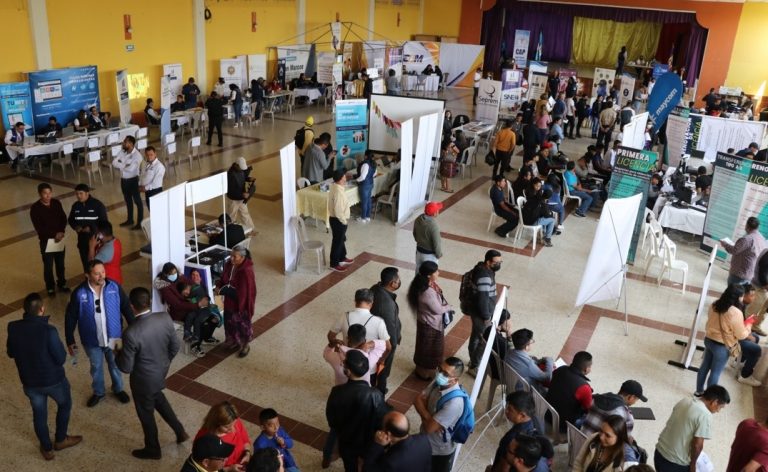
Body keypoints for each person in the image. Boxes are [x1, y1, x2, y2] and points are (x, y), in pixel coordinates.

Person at [7, 293, 82, 461]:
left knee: (39, 414)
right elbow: (60, 358)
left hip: (30, 383)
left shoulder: (12, 327)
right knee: (65, 404)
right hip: (54, 381)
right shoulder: (49, 331)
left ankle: (47, 448)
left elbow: (11, 353)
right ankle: (61, 440)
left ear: (25, 309)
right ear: (42, 309)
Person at [116, 287, 188, 459]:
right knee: (159, 399)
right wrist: (163, 363)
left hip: (143, 381)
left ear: (132, 307)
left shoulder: (131, 333)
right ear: (148, 302)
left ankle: (153, 449)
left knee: (146, 414)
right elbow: (175, 346)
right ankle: (180, 431)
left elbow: (126, 367)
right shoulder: (164, 317)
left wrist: (116, 352)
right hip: (160, 373)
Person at [64, 260, 134, 407]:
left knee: (116, 364)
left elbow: (126, 308)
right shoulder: (79, 293)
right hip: (91, 340)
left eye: (103, 271)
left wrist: (134, 328)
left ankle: (118, 389)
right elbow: (70, 316)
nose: (102, 276)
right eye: (97, 273)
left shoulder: (114, 287)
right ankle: (98, 392)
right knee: (96, 367)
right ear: (87, 275)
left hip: (115, 337)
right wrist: (70, 339)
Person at [326, 350, 389, 472]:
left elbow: (332, 421)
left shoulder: (337, 392)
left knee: (350, 467)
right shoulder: (375, 394)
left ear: (348, 371)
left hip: (346, 442)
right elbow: (382, 420)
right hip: (369, 443)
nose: (342, 363)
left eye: (344, 362)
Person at [696, 284, 762, 392]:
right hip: (722, 346)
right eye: (742, 296)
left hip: (709, 340)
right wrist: (749, 324)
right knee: (715, 372)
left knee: (704, 366)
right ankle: (710, 397)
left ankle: (698, 392)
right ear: (738, 297)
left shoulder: (714, 304)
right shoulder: (735, 312)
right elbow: (741, 335)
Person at [654, 385, 730, 472]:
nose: (718, 411)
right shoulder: (705, 415)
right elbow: (697, 445)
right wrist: (693, 466)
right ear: (715, 402)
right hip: (675, 463)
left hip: (659, 453)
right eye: (720, 407)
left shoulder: (685, 400)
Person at [414, 357, 467, 471]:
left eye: (446, 374)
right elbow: (417, 399)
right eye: (440, 369)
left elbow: (429, 428)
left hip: (438, 452)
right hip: (425, 441)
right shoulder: (438, 382)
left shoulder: (454, 404)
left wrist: (424, 412)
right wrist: (428, 417)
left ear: (455, 380)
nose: (440, 374)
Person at [408, 261, 453, 380]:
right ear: (428, 275)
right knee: (430, 350)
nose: (438, 273)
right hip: (431, 325)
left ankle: (423, 371)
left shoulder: (424, 283)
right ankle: (425, 374)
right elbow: (438, 309)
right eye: (436, 271)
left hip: (426, 322)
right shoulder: (427, 292)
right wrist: (449, 307)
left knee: (424, 348)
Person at [490, 391, 552, 472]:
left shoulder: (513, 439)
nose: (506, 411)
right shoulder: (538, 421)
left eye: (510, 409)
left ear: (522, 415)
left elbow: (504, 466)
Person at [462, 250, 502, 375]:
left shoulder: (482, 268)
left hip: (476, 310)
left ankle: (472, 360)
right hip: (481, 313)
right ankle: (474, 366)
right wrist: (486, 316)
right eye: (496, 262)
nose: (499, 264)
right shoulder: (484, 276)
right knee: (484, 340)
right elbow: (483, 298)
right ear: (488, 262)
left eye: (500, 262)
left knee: (476, 335)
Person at [215, 246, 257, 357]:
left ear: (242, 257)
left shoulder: (246, 270)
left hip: (241, 304)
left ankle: (245, 345)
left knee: (242, 326)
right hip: (229, 301)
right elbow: (223, 278)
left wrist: (242, 306)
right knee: (229, 323)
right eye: (231, 255)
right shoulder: (229, 264)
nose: (231, 258)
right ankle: (233, 341)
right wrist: (219, 286)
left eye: (235, 256)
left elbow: (249, 291)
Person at [30, 183, 69, 296]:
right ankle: (50, 287)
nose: (48, 196)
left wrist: (61, 231)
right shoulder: (35, 208)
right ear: (40, 194)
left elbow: (63, 218)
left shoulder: (56, 203)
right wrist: (54, 234)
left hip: (59, 239)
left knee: (60, 264)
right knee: (48, 266)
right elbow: (39, 228)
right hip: (46, 241)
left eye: (49, 193)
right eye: (45, 193)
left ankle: (62, 283)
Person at [363, 411, 432, 472]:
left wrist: (377, 444)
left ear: (389, 434)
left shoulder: (390, 462)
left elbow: (368, 468)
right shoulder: (424, 440)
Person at [370, 267, 402, 394]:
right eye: (398, 280)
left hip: (375, 337)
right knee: (382, 370)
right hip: (383, 344)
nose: (399, 281)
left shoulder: (376, 288)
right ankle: (379, 392)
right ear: (392, 283)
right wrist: (392, 347)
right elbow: (390, 330)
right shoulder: (386, 305)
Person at [195, 401, 253, 469]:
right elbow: (207, 467)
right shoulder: (204, 439)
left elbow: (245, 440)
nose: (232, 429)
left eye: (234, 424)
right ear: (216, 423)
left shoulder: (234, 422)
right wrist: (229, 469)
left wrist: (247, 453)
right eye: (226, 427)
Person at [545, 351, 593, 431]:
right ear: (586, 369)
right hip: (562, 425)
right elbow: (588, 409)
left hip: (545, 412)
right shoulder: (584, 387)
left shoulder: (560, 369)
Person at [581, 380, 647, 437]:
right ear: (631, 397)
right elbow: (624, 441)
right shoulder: (627, 416)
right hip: (597, 447)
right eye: (636, 400)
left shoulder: (597, 399)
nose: (635, 402)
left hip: (581, 440)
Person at [68, 183, 109, 272]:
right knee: (86, 264)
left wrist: (92, 228)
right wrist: (76, 227)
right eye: (77, 194)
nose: (78, 196)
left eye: (81, 193)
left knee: (96, 264)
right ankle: (87, 278)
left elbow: (104, 223)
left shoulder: (98, 205)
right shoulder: (75, 206)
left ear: (87, 193)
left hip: (96, 241)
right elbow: (71, 220)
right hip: (82, 241)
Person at [506, 329, 553, 393]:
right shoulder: (529, 365)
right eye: (531, 342)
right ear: (526, 347)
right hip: (527, 393)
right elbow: (547, 377)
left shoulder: (508, 352)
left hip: (511, 386)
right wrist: (550, 360)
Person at [721, 216, 765, 286]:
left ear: (747, 225)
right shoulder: (761, 238)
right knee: (743, 292)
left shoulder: (746, 239)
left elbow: (734, 250)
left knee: (733, 292)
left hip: (739, 274)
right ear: (757, 227)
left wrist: (725, 244)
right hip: (751, 273)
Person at [112, 136, 144, 230]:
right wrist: (125, 165)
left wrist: (120, 165)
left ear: (131, 144)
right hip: (123, 180)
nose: (123, 143)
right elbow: (114, 162)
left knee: (137, 201)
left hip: (133, 181)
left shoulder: (137, 155)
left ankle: (140, 223)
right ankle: (130, 220)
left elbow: (131, 169)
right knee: (128, 201)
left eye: (125, 142)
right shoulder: (123, 151)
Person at [329, 169, 354, 272]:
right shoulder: (338, 192)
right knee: (337, 242)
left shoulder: (336, 187)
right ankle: (334, 263)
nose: (345, 178)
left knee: (341, 239)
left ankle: (342, 257)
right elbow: (338, 211)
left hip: (336, 219)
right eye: (344, 176)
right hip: (338, 220)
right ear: (340, 178)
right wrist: (344, 221)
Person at [521, 179, 556, 247]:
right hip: (531, 221)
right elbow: (546, 215)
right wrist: (550, 213)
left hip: (525, 218)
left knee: (544, 218)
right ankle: (547, 239)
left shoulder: (535, 196)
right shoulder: (542, 203)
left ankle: (543, 234)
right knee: (552, 220)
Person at [226, 157, 255, 231]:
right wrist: (242, 195)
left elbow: (243, 176)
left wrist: (249, 179)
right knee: (232, 216)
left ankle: (251, 229)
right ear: (237, 165)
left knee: (245, 214)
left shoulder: (240, 170)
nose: (242, 169)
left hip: (242, 198)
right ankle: (231, 231)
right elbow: (231, 191)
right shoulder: (230, 175)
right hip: (233, 200)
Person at [413, 201, 443, 268]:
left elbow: (414, 234)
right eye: (438, 210)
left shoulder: (418, 219)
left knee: (418, 271)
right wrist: (439, 254)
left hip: (419, 251)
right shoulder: (434, 226)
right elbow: (437, 243)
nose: (438, 211)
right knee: (430, 273)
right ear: (435, 213)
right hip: (430, 255)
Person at [140, 146, 165, 210]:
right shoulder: (147, 164)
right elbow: (143, 176)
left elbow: (155, 183)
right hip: (148, 192)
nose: (149, 157)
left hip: (155, 192)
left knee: (156, 211)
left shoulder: (159, 166)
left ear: (155, 154)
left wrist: (144, 188)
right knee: (150, 210)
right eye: (147, 155)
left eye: (151, 155)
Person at [356, 149, 377, 222]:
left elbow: (362, 177)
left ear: (365, 156)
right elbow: (374, 174)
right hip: (370, 183)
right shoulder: (374, 163)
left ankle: (363, 218)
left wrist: (356, 180)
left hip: (364, 185)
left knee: (364, 202)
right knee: (368, 200)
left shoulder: (365, 164)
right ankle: (368, 216)